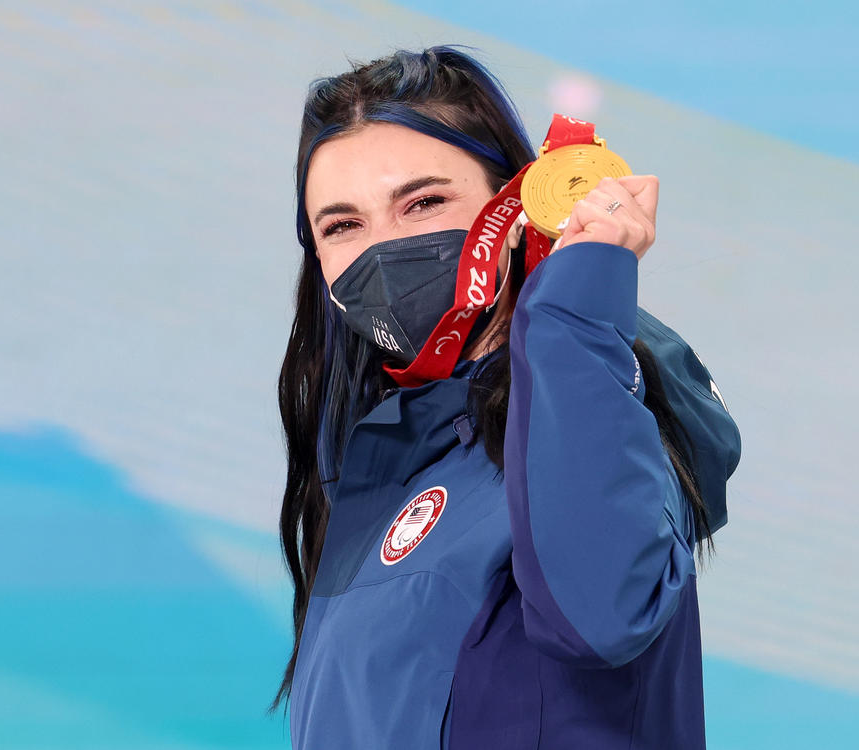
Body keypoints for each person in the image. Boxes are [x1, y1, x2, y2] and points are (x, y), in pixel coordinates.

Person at [272, 45, 742, 749]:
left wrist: (574, 310)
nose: (383, 247)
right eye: (342, 226)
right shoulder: (383, 466)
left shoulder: (599, 417)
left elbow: (601, 613)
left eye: (423, 201)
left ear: (516, 207)